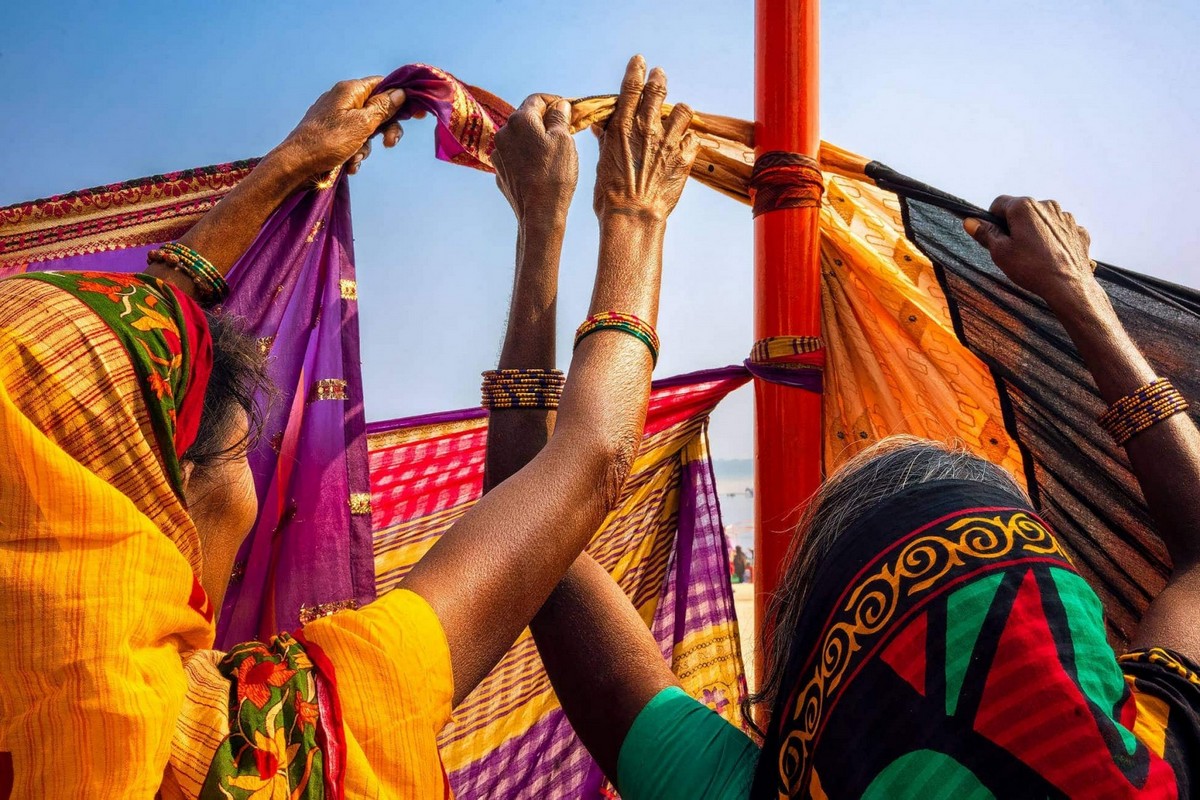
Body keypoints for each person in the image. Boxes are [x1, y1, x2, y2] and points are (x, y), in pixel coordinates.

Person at [0, 54, 701, 797]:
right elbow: (586, 459)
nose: (262, 495)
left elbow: (85, 378)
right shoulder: (274, 744)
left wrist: (291, 164)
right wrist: (626, 215)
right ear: (165, 499)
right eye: (247, 454)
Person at [508, 197, 1200, 798]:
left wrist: (584, 224)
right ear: (1072, 636)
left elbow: (526, 520)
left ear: (806, 655)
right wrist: (1078, 294)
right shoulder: (1151, 770)